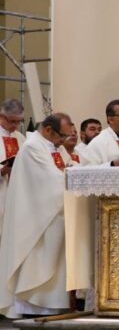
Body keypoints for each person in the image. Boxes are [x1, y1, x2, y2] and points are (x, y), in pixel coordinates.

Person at [0, 113, 74, 317]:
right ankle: (33, 305)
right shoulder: (33, 147)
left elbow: (69, 169)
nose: (63, 141)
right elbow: (50, 180)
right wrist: (75, 180)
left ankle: (53, 303)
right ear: (48, 130)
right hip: (37, 220)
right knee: (38, 258)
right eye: (62, 136)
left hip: (54, 213)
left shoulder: (53, 146)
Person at [0, 99, 26, 236]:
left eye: (19, 121)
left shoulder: (20, 138)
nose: (15, 125)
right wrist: (2, 171)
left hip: (16, 192)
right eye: (12, 121)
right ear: (2, 117)